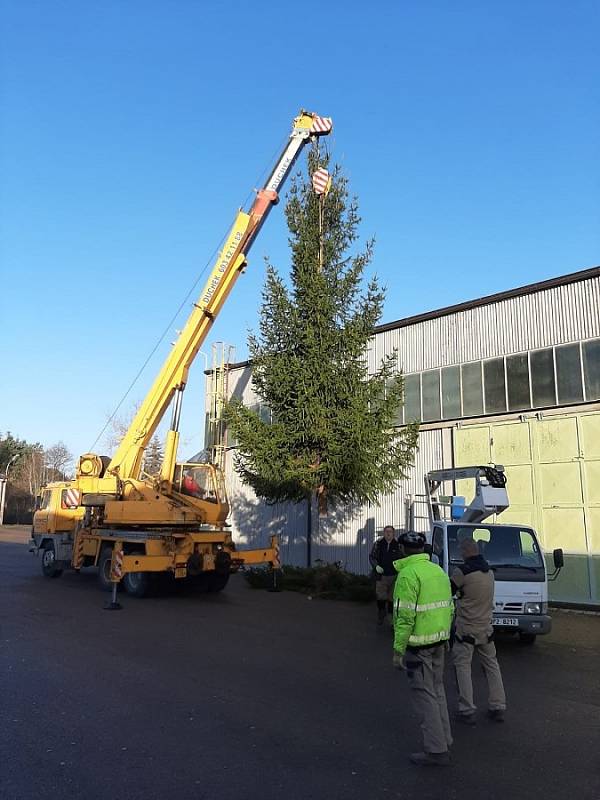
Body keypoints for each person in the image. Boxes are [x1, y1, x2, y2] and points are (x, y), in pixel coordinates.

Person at [392, 531, 454, 766]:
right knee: (437, 691)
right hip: (439, 642)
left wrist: (398, 651)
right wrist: (446, 636)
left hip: (419, 647)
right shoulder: (437, 571)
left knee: (424, 695)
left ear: (402, 550)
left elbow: (404, 617)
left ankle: (436, 750)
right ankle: (445, 739)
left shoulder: (408, 575)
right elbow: (449, 607)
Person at [451, 537, 506, 725]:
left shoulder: (462, 572)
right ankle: (498, 705)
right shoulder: (489, 571)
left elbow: (448, 590)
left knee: (463, 666)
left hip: (466, 629)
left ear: (465, 552)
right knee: (492, 666)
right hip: (486, 627)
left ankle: (466, 709)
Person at [369, 525, 402, 625]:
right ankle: (381, 612)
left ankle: (391, 617)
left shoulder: (398, 545)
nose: (388, 533)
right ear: (384, 533)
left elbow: (403, 558)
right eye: (386, 531)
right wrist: (376, 566)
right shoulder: (378, 544)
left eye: (390, 532)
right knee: (380, 596)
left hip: (394, 575)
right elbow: (372, 557)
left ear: (393, 533)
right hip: (382, 575)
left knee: (392, 597)